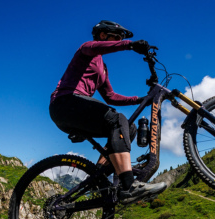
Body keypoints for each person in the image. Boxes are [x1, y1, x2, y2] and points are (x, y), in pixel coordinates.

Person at [49, 20, 166, 205]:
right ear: (103, 35)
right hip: (65, 102)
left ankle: (99, 177)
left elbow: (110, 96)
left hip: (77, 109)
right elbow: (99, 47)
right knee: (117, 119)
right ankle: (129, 186)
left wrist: (139, 99)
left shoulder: (102, 68)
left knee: (128, 127)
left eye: (121, 39)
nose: (119, 41)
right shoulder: (87, 49)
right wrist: (129, 44)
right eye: (116, 38)